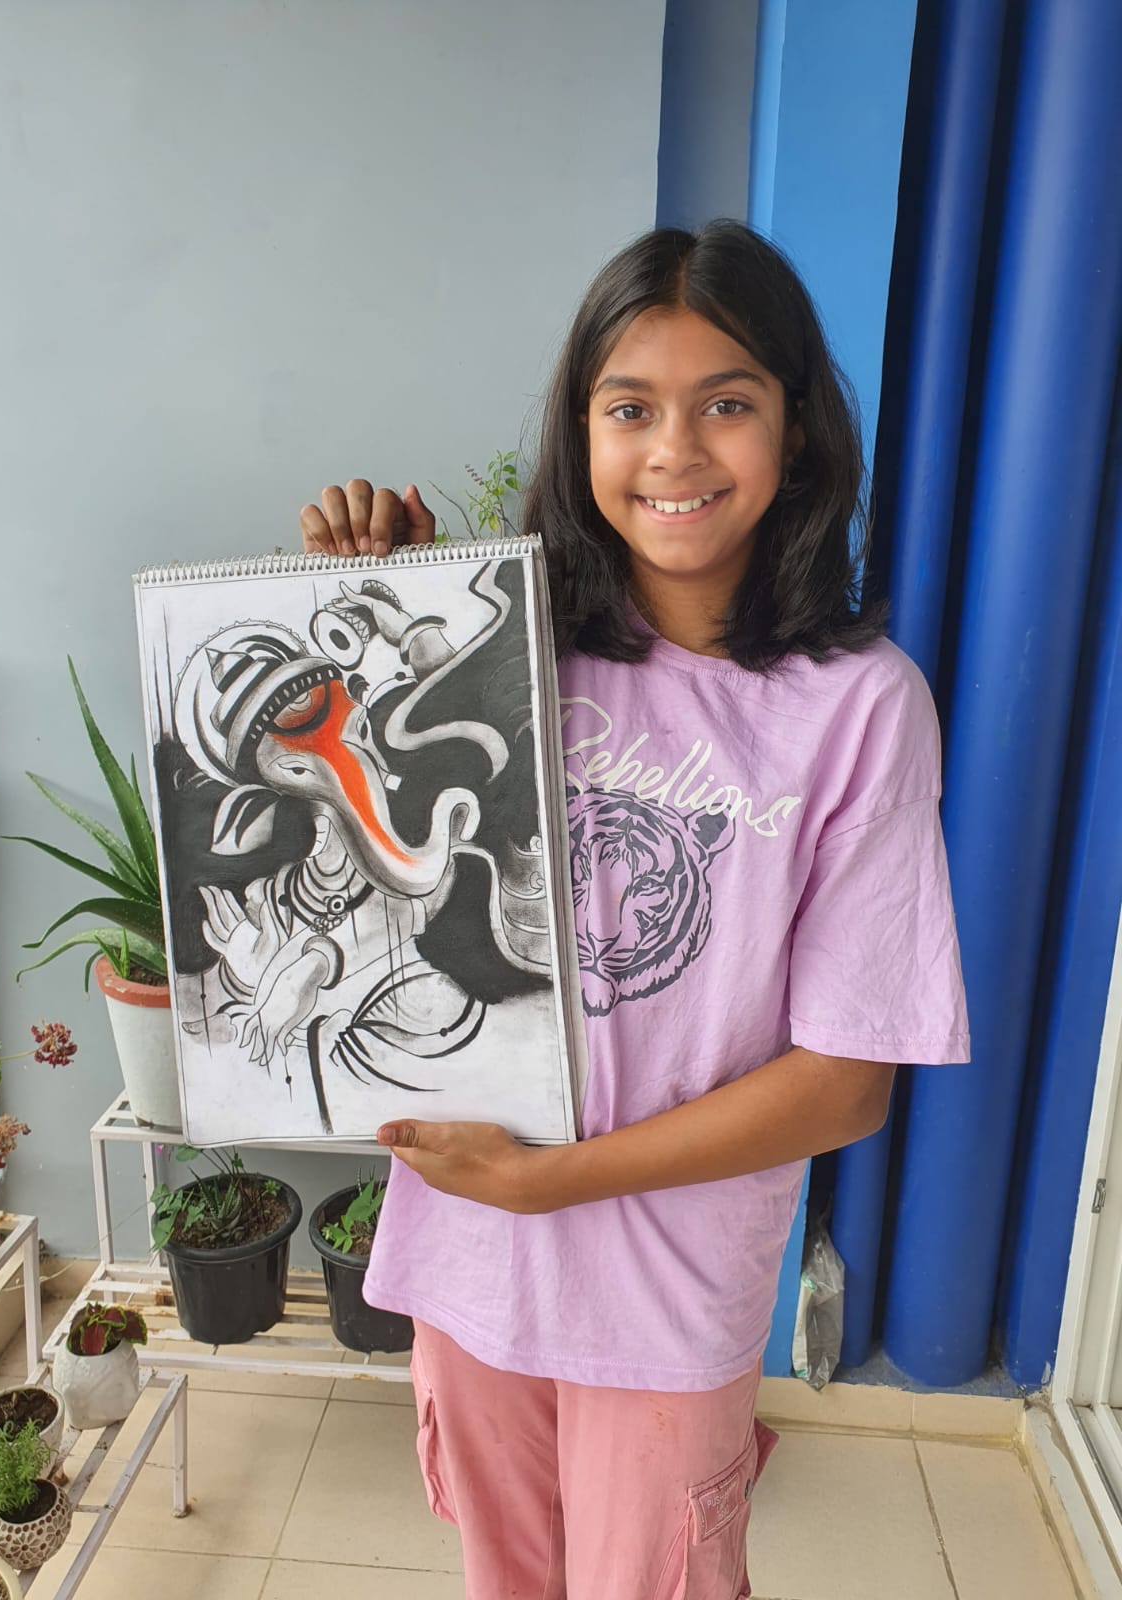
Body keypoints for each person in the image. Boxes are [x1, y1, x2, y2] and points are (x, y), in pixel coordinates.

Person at [297, 220, 969, 1600]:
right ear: (581, 431)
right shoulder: (503, 647)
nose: (676, 450)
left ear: (796, 428)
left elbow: (845, 1084)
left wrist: (558, 1181)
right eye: (631, 408)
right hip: (473, 1260)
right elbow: (367, 871)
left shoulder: (858, 708)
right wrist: (377, 599)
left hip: (665, 1297)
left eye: (728, 402)